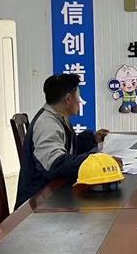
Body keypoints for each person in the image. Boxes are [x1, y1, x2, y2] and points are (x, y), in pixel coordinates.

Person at [16, 73, 108, 208]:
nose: (80, 101)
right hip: (39, 203)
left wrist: (93, 139)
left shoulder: (58, 116)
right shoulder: (47, 124)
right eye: (78, 97)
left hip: (53, 194)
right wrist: (97, 160)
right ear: (68, 99)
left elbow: (68, 148)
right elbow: (57, 165)